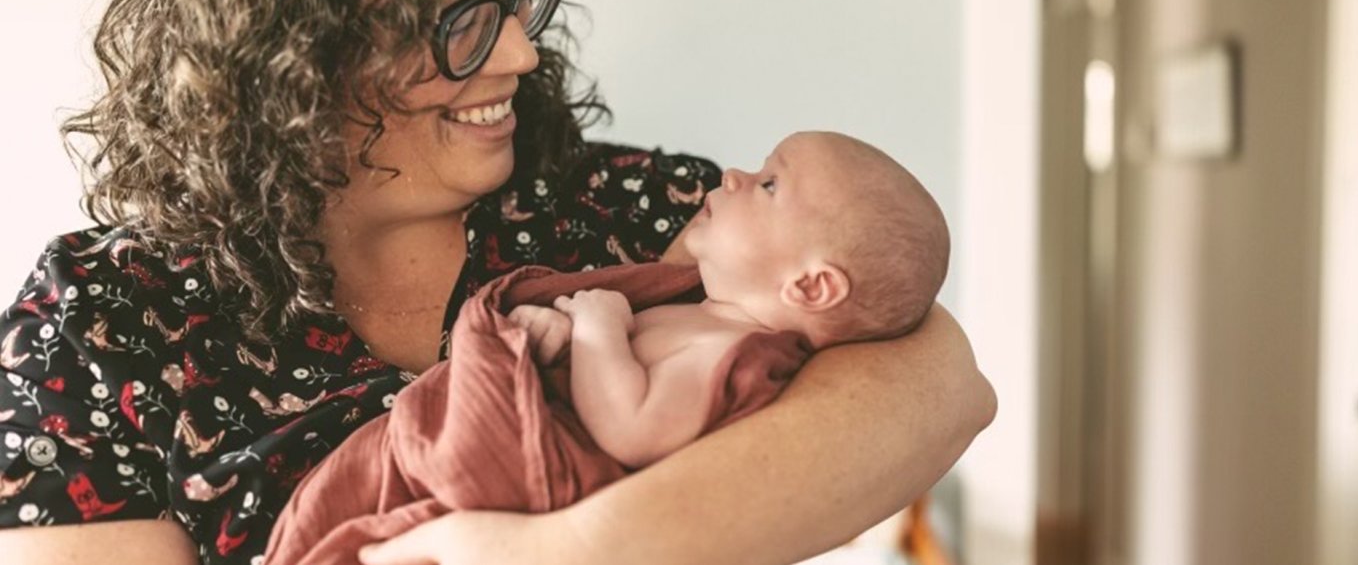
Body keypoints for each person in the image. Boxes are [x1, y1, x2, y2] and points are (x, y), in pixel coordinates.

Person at [0, 0, 997, 564]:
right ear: (288, 54)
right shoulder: (99, 319)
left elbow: (939, 381)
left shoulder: (630, 211)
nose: (519, 55)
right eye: (459, 17)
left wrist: (579, 550)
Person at [263, 131, 952, 565]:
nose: (737, 175)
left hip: (523, 482)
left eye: (771, 185)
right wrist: (544, 338)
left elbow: (632, 427)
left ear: (812, 286)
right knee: (366, 473)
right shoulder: (689, 306)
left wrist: (595, 332)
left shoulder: (738, 354)